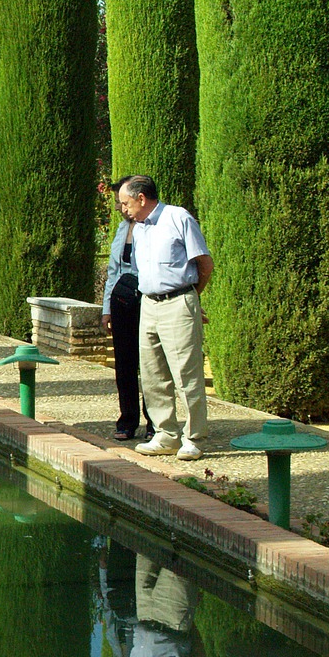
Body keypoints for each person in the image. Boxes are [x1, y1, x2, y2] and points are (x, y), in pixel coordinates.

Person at [118, 176, 213, 460]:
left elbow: (204, 262)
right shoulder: (139, 228)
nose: (123, 209)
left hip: (178, 301)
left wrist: (191, 299)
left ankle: (193, 437)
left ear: (141, 198)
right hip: (148, 304)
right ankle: (165, 434)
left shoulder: (178, 218)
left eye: (126, 203)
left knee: (186, 373)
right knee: (152, 373)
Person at [101, 177, 153, 441]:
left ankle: (154, 421)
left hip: (147, 298)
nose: (122, 208)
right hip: (122, 299)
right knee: (125, 363)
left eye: (124, 202)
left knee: (152, 362)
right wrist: (106, 308)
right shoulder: (123, 229)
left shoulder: (154, 227)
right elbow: (113, 271)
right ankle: (127, 420)